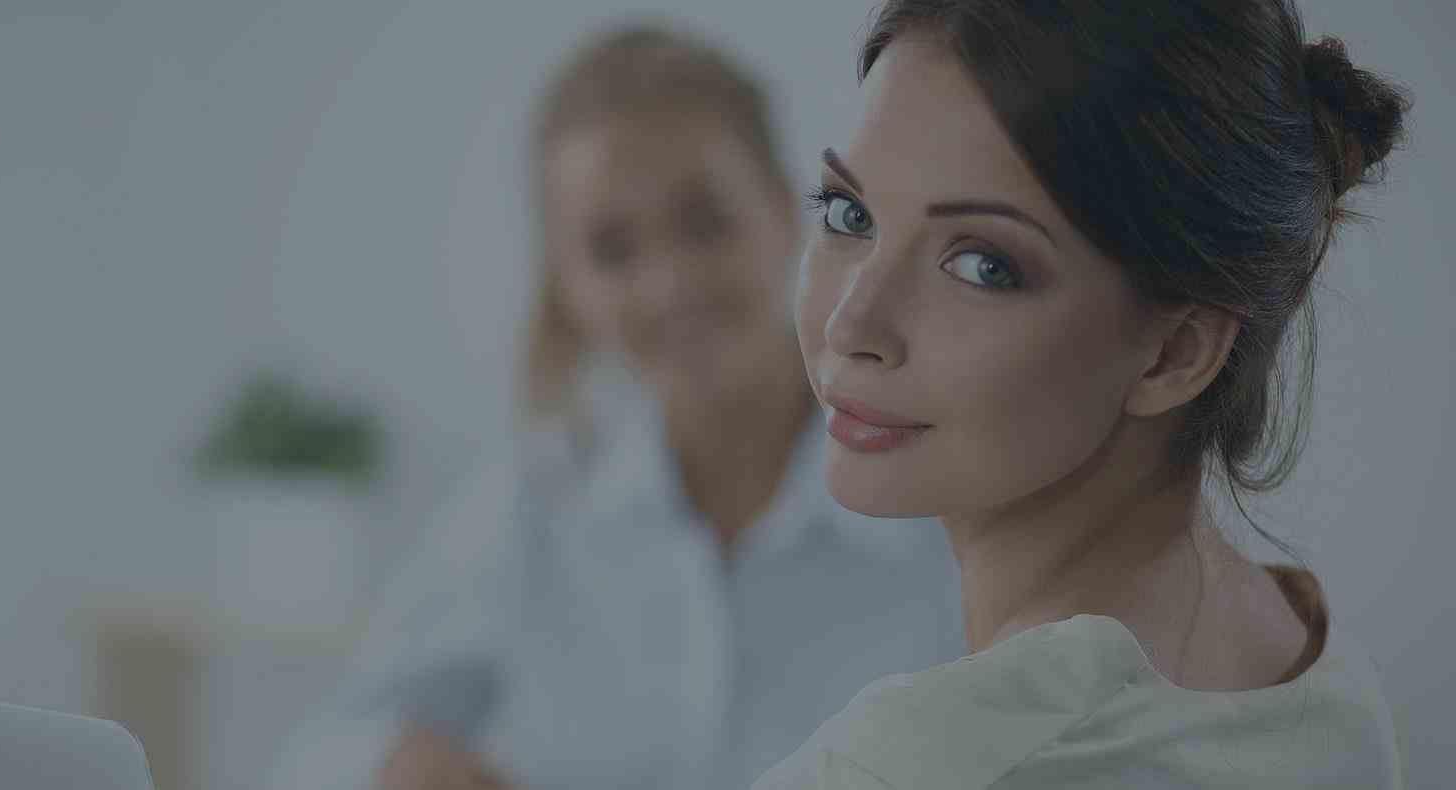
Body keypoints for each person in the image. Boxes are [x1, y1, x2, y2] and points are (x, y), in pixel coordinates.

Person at [267, 24, 963, 790]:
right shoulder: (535, 506)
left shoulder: (936, 511)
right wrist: (394, 763)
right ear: (565, 285)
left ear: (783, 208)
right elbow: (324, 749)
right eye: (611, 249)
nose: (669, 285)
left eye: (705, 223)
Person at [753, 1, 1412, 787]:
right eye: (849, 213)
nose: (852, 322)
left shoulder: (893, 769)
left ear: (1173, 354)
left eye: (983, 265)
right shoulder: (1319, 671)